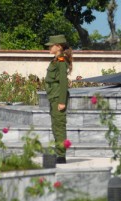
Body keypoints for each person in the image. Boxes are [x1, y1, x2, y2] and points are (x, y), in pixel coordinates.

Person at [44, 35, 72, 164]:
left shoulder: (61, 61)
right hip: (53, 96)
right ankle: (58, 152)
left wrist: (61, 101)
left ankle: (61, 155)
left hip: (57, 97)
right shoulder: (55, 60)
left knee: (59, 126)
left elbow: (63, 82)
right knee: (55, 126)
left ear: (59, 46)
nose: (49, 47)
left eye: (51, 45)